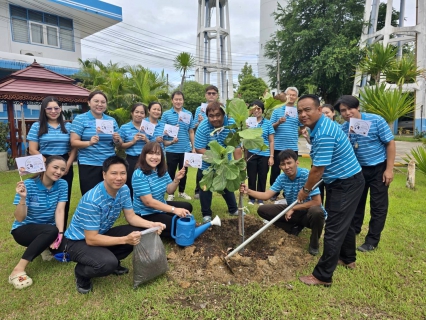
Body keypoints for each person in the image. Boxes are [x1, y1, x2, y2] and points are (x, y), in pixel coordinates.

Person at [64, 155, 165, 294]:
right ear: (104, 174)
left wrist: (152, 224)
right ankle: (81, 273)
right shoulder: (92, 200)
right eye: (114, 173)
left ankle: (110, 258)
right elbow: (91, 239)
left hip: (101, 233)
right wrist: (125, 239)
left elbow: (131, 217)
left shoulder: (124, 190)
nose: (119, 178)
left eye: (122, 173)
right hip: (78, 241)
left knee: (138, 233)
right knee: (107, 263)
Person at [296, 94, 365, 287]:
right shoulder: (320, 127)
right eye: (300, 111)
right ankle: (348, 258)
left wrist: (305, 190)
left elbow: (317, 170)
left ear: (319, 110)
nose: (303, 114)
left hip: (346, 182)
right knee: (346, 222)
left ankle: (322, 276)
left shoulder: (324, 132)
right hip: (346, 179)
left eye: (307, 109)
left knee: (334, 228)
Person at [335, 95, 395, 252]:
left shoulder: (376, 120)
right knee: (357, 203)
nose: (347, 113)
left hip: (378, 168)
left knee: (378, 205)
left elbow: (390, 143)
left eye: (350, 108)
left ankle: (372, 240)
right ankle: (354, 230)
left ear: (358, 107)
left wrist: (389, 169)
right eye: (343, 110)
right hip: (358, 170)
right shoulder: (343, 129)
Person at [241, 149, 326, 255]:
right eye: (283, 164)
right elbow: (266, 195)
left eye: (289, 163)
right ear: (280, 166)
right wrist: (248, 191)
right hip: (293, 211)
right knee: (262, 210)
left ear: (297, 162)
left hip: (308, 213)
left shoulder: (306, 175)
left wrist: (293, 208)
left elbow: (317, 202)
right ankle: (293, 228)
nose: (286, 167)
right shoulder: (282, 178)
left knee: (317, 212)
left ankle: (314, 243)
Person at [9, 156, 68, 289]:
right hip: (23, 230)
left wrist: (60, 234)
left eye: (62, 169)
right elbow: (19, 218)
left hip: (48, 229)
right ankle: (18, 270)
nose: (59, 172)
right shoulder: (28, 185)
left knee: (66, 247)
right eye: (55, 167)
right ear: (45, 167)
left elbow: (60, 210)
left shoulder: (63, 184)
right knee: (51, 231)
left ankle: (45, 248)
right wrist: (23, 198)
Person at [28, 96, 76, 230]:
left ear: (61, 109)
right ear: (44, 110)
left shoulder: (68, 126)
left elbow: (74, 148)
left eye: (56, 108)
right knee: (45, 199)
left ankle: (61, 232)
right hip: (44, 164)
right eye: (49, 108)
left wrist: (67, 164)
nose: (53, 111)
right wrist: (47, 164)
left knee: (63, 199)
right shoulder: (37, 126)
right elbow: (32, 149)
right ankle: (44, 232)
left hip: (65, 165)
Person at [132, 142, 193, 237]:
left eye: (157, 154)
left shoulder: (162, 171)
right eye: (151, 153)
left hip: (160, 206)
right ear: (144, 155)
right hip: (146, 212)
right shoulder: (139, 174)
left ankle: (165, 224)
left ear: (161, 156)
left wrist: (176, 180)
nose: (154, 157)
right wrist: (174, 210)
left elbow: (169, 190)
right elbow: (148, 202)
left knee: (187, 207)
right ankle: (147, 227)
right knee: (178, 225)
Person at [194, 101, 242, 223]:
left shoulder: (231, 124)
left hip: (226, 163)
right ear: (207, 116)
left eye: (218, 115)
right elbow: (199, 148)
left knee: (227, 187)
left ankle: (233, 209)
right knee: (205, 188)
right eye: (211, 116)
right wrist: (215, 159)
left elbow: (236, 146)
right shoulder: (203, 126)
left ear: (224, 114)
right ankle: (206, 214)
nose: (214, 119)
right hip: (207, 164)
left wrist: (239, 166)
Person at [70, 90, 122, 196]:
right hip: (89, 163)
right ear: (89, 102)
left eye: (103, 102)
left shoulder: (111, 120)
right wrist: (89, 143)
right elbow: (73, 142)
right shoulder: (80, 119)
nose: (100, 104)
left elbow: (119, 144)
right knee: (90, 194)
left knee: (109, 194)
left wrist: (117, 139)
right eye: (96, 101)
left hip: (109, 163)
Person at [269, 87, 304, 201]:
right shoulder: (277, 110)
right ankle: (274, 193)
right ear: (285, 96)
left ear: (296, 98)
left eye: (294, 95)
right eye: (289, 95)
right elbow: (270, 128)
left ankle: (288, 194)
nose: (291, 97)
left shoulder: (298, 112)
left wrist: (298, 133)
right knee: (275, 170)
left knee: (292, 170)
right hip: (278, 145)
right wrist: (278, 122)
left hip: (292, 146)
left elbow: (302, 127)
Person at [300, 103, 337, 204]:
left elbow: (317, 170)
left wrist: (305, 190)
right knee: (319, 190)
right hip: (319, 163)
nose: (325, 115)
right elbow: (316, 144)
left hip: (330, 170)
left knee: (332, 198)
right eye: (323, 113)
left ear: (333, 113)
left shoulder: (327, 130)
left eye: (327, 112)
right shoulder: (317, 128)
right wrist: (307, 137)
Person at [161, 91, 195, 201]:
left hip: (185, 148)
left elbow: (191, 131)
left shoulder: (188, 114)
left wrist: (193, 147)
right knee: (170, 171)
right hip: (171, 148)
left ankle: (181, 191)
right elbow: (162, 131)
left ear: (183, 101)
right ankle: (171, 193)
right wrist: (171, 128)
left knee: (184, 171)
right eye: (176, 99)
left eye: (180, 99)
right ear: (172, 100)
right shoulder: (166, 114)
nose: (178, 101)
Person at [193, 85, 220, 199]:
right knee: (202, 168)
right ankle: (198, 190)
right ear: (205, 95)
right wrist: (200, 123)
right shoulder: (199, 110)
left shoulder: (221, 108)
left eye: (213, 93)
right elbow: (194, 127)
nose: (211, 95)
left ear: (217, 95)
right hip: (203, 142)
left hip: (217, 143)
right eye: (209, 93)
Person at [246, 100, 275, 205]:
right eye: (254, 108)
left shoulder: (267, 123)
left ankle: (261, 198)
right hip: (251, 153)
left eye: (259, 108)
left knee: (262, 176)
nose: (256, 110)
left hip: (265, 154)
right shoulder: (248, 122)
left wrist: (271, 156)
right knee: (251, 176)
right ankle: (252, 198)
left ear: (262, 110)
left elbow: (271, 141)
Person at [118, 103, 148, 198]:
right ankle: (130, 208)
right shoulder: (124, 127)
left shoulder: (149, 127)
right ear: (132, 113)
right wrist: (133, 141)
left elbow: (153, 145)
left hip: (146, 160)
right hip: (131, 160)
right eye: (137, 112)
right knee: (130, 184)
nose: (139, 115)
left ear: (145, 115)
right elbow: (120, 146)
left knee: (146, 184)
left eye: (142, 113)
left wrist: (146, 140)